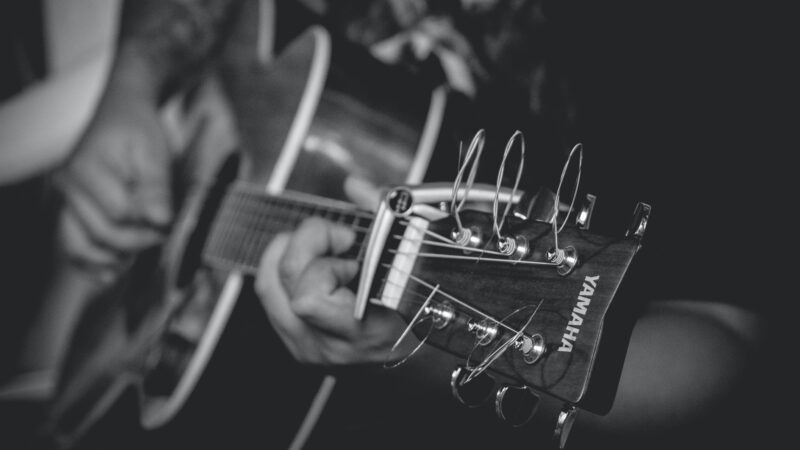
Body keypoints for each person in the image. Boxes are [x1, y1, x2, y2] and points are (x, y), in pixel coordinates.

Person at [13, 0, 775, 449]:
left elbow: (736, 355)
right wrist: (131, 92)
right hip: (164, 203)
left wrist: (403, 348)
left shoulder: (705, 44)